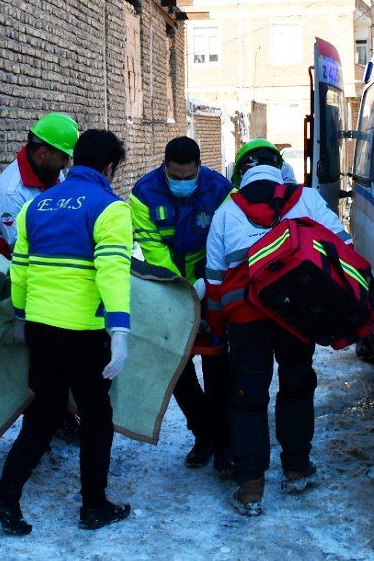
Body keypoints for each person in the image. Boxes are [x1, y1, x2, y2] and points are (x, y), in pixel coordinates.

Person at [0, 129, 132, 536]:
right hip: (82, 332)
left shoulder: (38, 206)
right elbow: (113, 272)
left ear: (75, 158)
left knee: (45, 413)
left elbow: (21, 270)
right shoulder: (111, 209)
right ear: (109, 167)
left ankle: (4, 497)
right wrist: (119, 331)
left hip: (41, 329)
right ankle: (94, 505)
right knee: (97, 417)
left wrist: (21, 318)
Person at [205, 139, 352, 517]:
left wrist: (218, 332)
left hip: (246, 322)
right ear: (280, 167)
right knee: (297, 388)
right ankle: (297, 469)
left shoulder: (225, 212)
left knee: (248, 397)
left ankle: (251, 488)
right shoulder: (308, 199)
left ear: (240, 172)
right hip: (297, 317)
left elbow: (215, 282)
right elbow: (344, 246)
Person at [129, 136, 232, 472]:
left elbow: (225, 244)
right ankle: (205, 434)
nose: (183, 184)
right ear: (165, 167)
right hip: (170, 289)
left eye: (190, 178)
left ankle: (223, 445)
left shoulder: (221, 191)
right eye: (177, 177)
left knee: (217, 367)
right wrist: (185, 292)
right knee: (178, 369)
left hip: (214, 285)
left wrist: (207, 286)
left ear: (200, 169)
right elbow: (154, 250)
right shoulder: (144, 194)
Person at [0, 113, 79, 258]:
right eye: (64, 157)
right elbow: (22, 252)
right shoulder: (10, 193)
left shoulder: (53, 172)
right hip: (11, 273)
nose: (66, 164)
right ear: (43, 153)